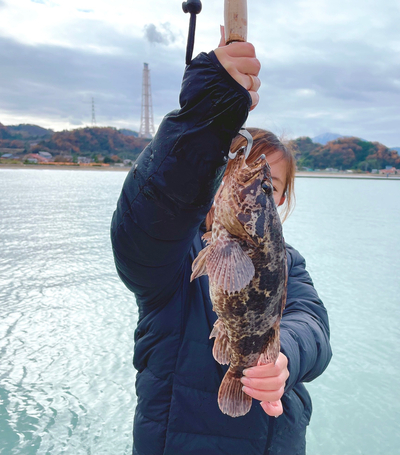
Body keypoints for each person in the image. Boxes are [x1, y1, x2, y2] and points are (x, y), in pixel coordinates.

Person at [111, 37, 332, 455]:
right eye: (236, 168)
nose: (254, 181)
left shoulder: (287, 263)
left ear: (280, 199)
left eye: (269, 184)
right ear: (216, 178)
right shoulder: (172, 255)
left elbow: (314, 326)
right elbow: (150, 214)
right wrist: (208, 108)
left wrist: (282, 356)